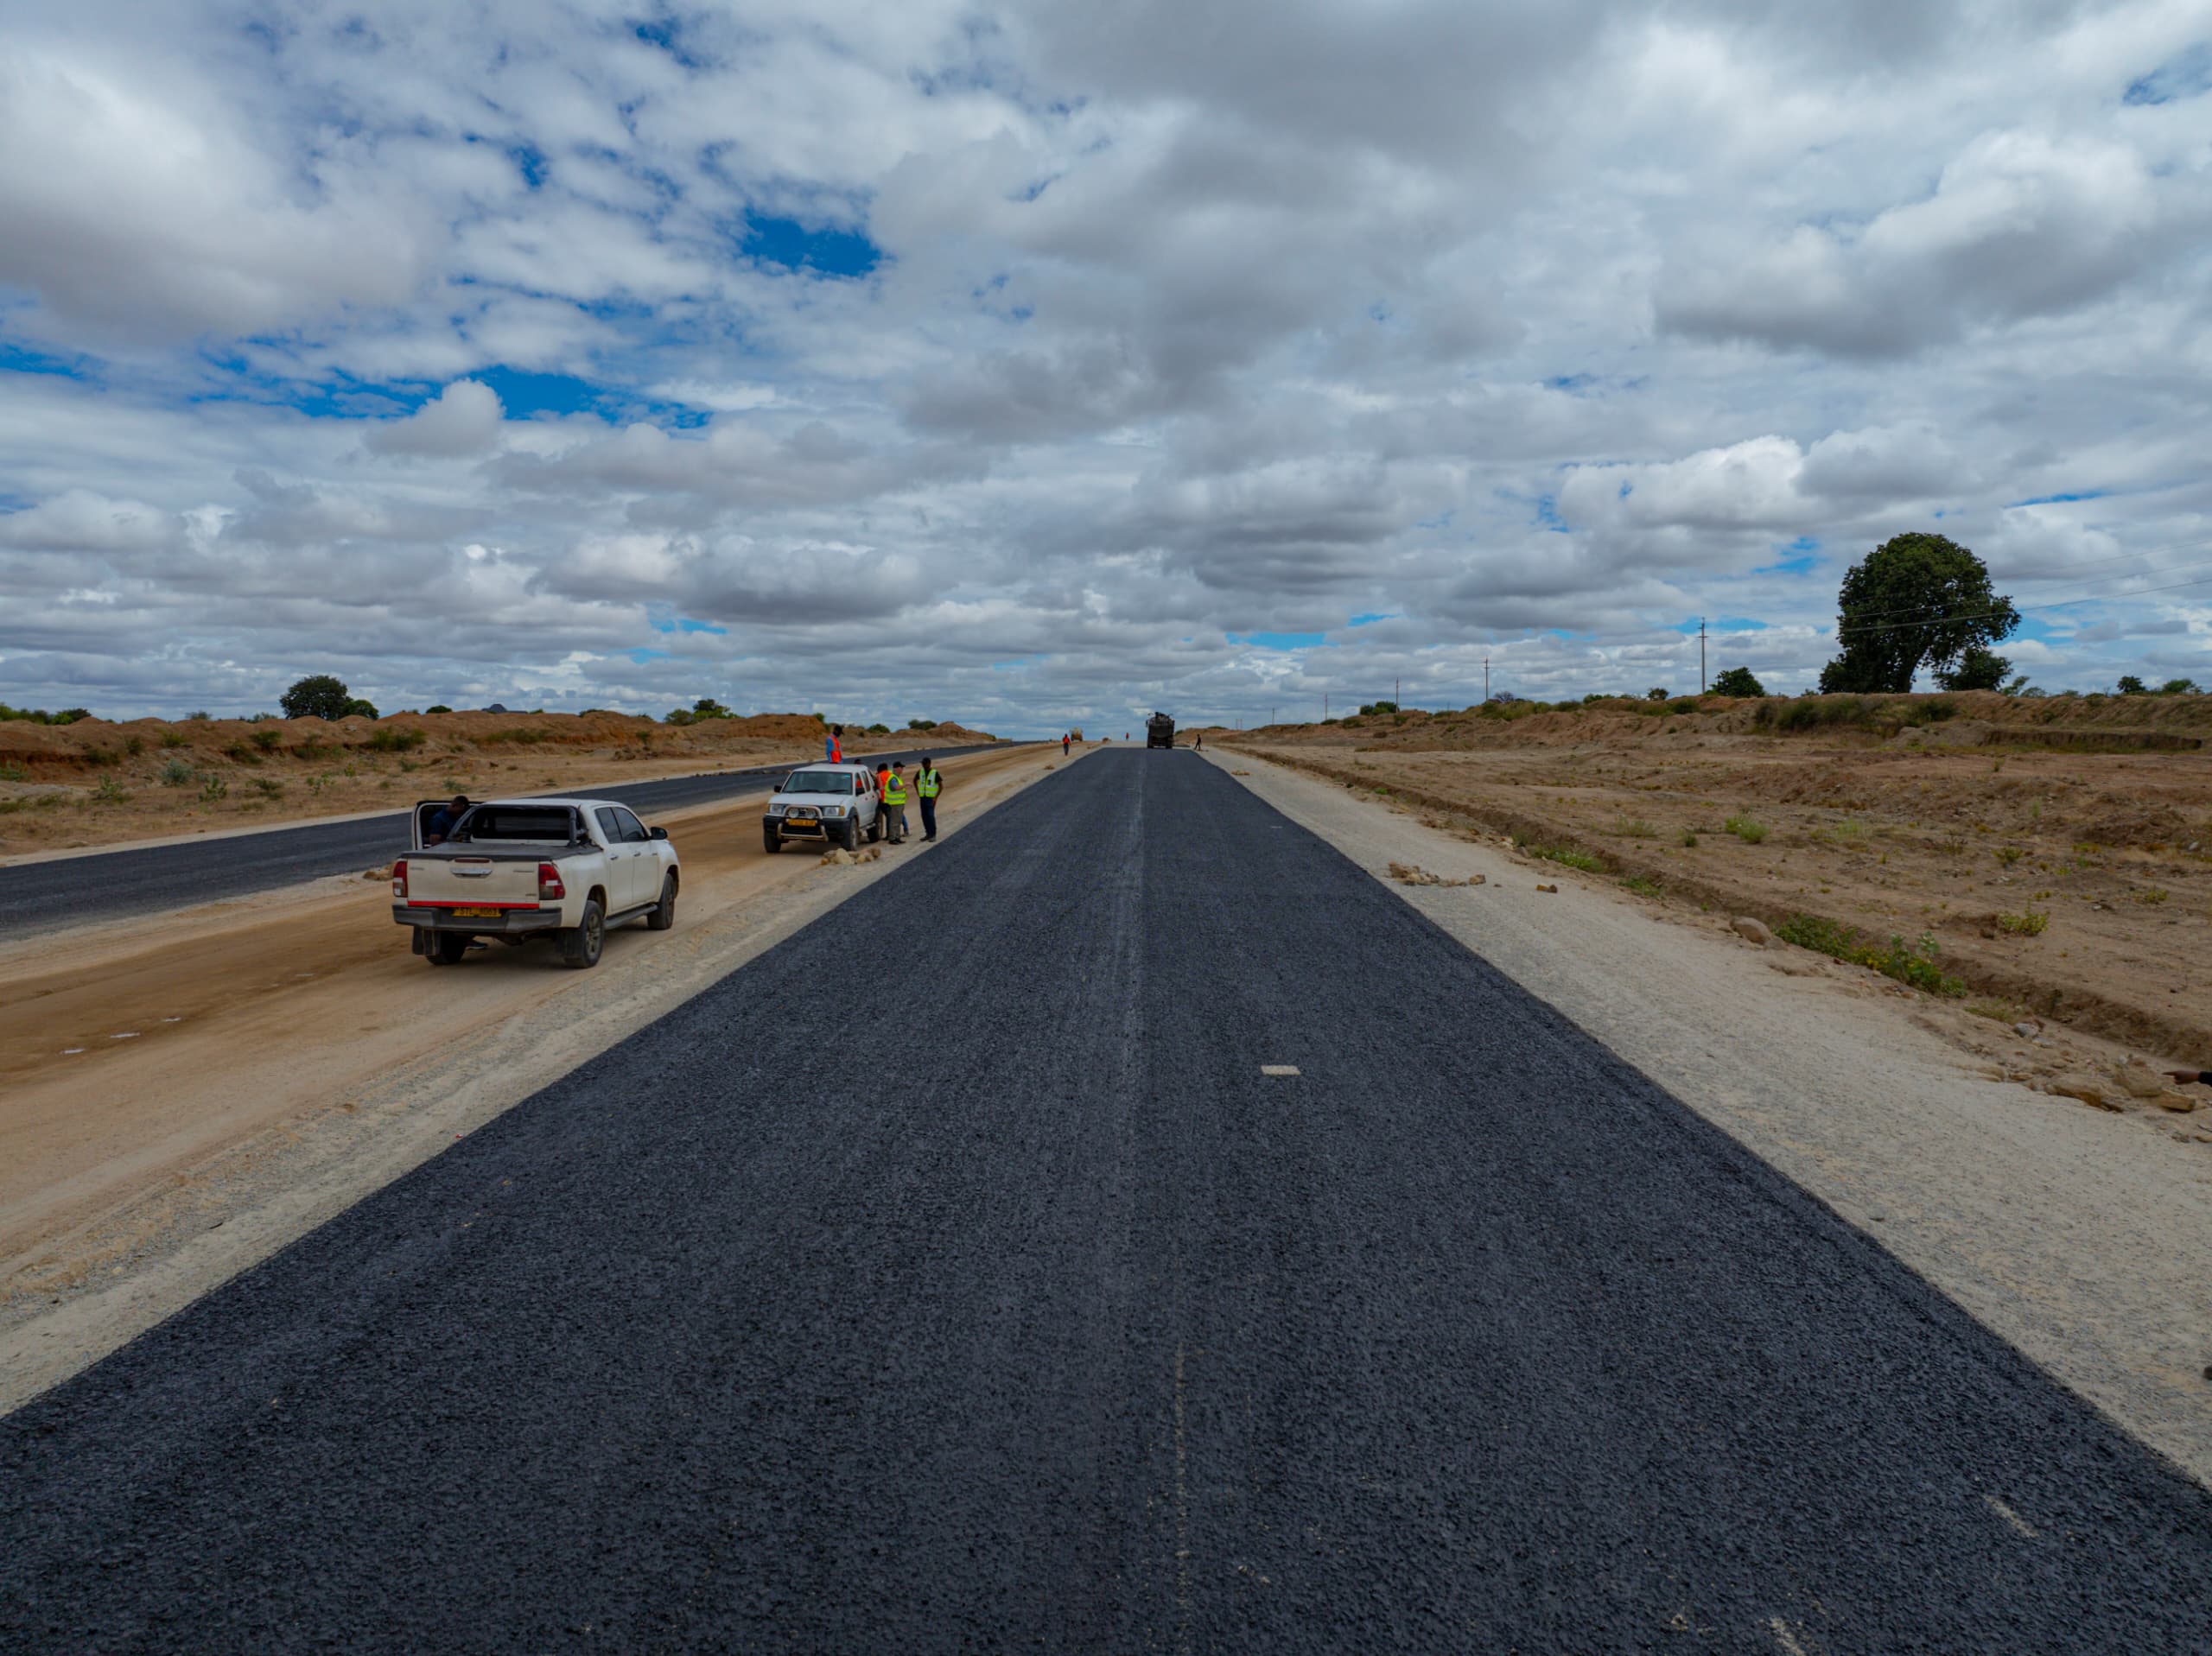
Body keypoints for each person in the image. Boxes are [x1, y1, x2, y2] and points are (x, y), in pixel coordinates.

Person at [914, 755, 942, 841]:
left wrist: (935, 798)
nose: (923, 765)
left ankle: (933, 834)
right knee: (924, 816)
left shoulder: (934, 773)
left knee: (930, 816)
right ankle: (928, 834)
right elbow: (915, 780)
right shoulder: (920, 772)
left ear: (929, 764)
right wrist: (918, 791)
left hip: (931, 799)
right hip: (923, 798)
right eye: (922, 764)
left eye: (924, 764)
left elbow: (941, 786)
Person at [881, 762, 909, 844]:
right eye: (901, 767)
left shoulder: (896, 778)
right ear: (896, 768)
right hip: (895, 803)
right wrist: (905, 785)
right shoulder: (893, 778)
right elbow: (895, 787)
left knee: (898, 821)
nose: (902, 769)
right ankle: (892, 838)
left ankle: (897, 837)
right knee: (895, 821)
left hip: (899, 803)